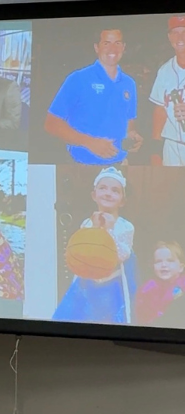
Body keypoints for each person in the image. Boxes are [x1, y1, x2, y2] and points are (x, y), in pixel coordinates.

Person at [44, 29, 143, 165]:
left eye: (117, 43)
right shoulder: (78, 78)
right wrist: (89, 142)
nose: (113, 49)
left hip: (120, 163)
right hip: (82, 165)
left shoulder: (129, 83)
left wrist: (132, 135)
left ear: (123, 47)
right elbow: (51, 123)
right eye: (106, 43)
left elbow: (129, 121)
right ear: (97, 47)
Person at [53, 166, 137, 324]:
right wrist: (95, 227)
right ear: (94, 195)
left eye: (115, 190)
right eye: (103, 188)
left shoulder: (125, 226)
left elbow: (120, 256)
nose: (108, 193)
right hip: (87, 284)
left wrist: (108, 229)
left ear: (122, 201)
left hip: (111, 287)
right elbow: (81, 252)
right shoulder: (87, 223)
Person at [149, 16, 185, 166]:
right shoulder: (164, 71)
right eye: (175, 33)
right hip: (171, 147)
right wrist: (155, 150)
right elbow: (160, 110)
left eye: (184, 32)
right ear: (169, 37)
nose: (180, 38)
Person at [135, 241, 185, 325]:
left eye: (170, 260)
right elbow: (143, 317)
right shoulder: (148, 289)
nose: (164, 265)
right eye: (158, 261)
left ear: (181, 267)